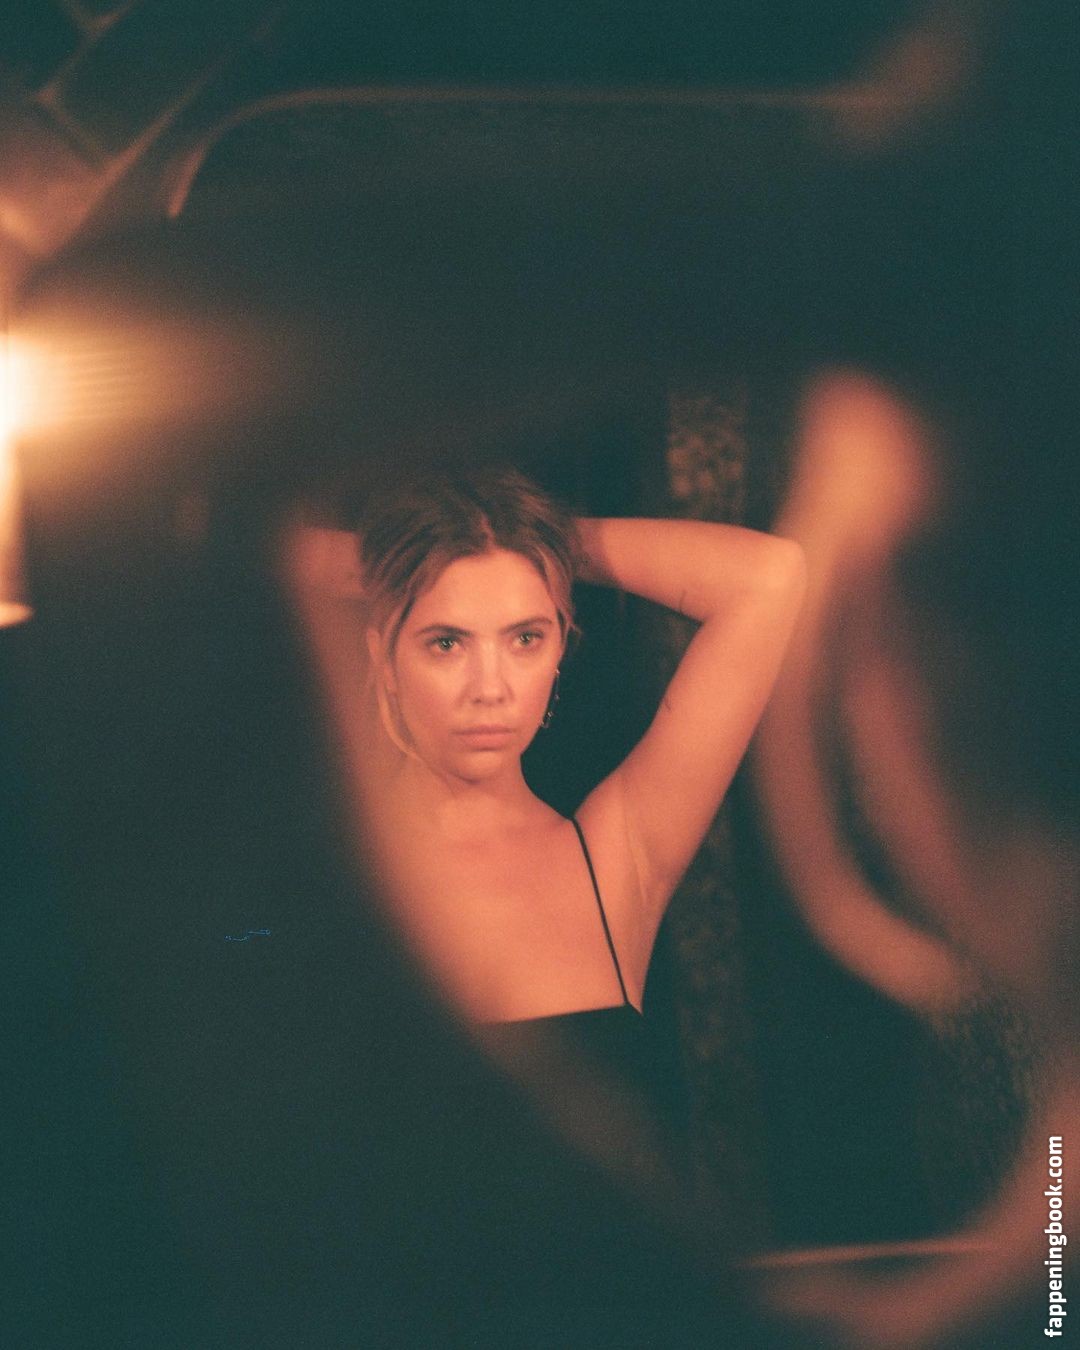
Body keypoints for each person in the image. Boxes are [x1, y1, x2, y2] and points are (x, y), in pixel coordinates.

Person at [343, 466, 806, 1029]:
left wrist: (529, 539)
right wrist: (384, 555)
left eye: (525, 639)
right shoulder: (326, 873)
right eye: (446, 643)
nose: (490, 689)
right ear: (384, 660)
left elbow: (768, 577)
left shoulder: (619, 854)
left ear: (560, 646)